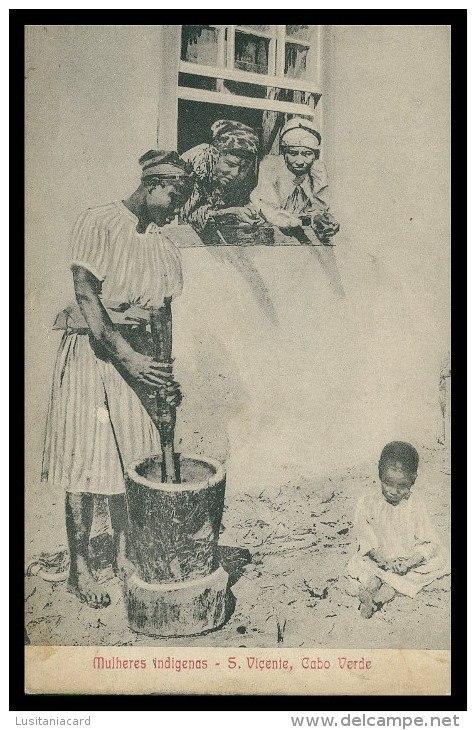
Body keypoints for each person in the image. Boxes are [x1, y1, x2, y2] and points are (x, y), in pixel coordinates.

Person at [41, 150, 194, 609]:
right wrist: (128, 358)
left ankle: (126, 557)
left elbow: (163, 316)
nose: (175, 207)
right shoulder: (100, 223)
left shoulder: (164, 246)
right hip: (94, 355)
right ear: (152, 185)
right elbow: (88, 298)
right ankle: (80, 568)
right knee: (84, 462)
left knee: (132, 459)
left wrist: (163, 378)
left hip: (139, 361)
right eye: (173, 196)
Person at [346, 441, 450, 619]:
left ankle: (377, 599)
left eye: (402, 485)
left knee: (437, 561)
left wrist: (410, 561)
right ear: (379, 475)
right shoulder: (367, 503)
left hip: (408, 562)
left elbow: (428, 540)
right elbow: (365, 539)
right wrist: (382, 560)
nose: (394, 491)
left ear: (413, 479)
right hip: (379, 560)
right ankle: (371, 589)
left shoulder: (416, 504)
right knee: (366, 567)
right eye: (388, 483)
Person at [250, 117, 340, 242]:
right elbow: (271, 212)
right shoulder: (271, 167)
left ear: (316, 155)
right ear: (284, 153)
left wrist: (321, 218)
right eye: (293, 153)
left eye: (307, 154)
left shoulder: (316, 171)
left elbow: (318, 207)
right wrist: (307, 220)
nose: (299, 161)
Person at [180, 119, 262, 233]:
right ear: (216, 155)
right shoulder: (199, 162)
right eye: (230, 164)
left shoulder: (245, 175)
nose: (235, 173)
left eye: (243, 168)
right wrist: (229, 213)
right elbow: (184, 218)